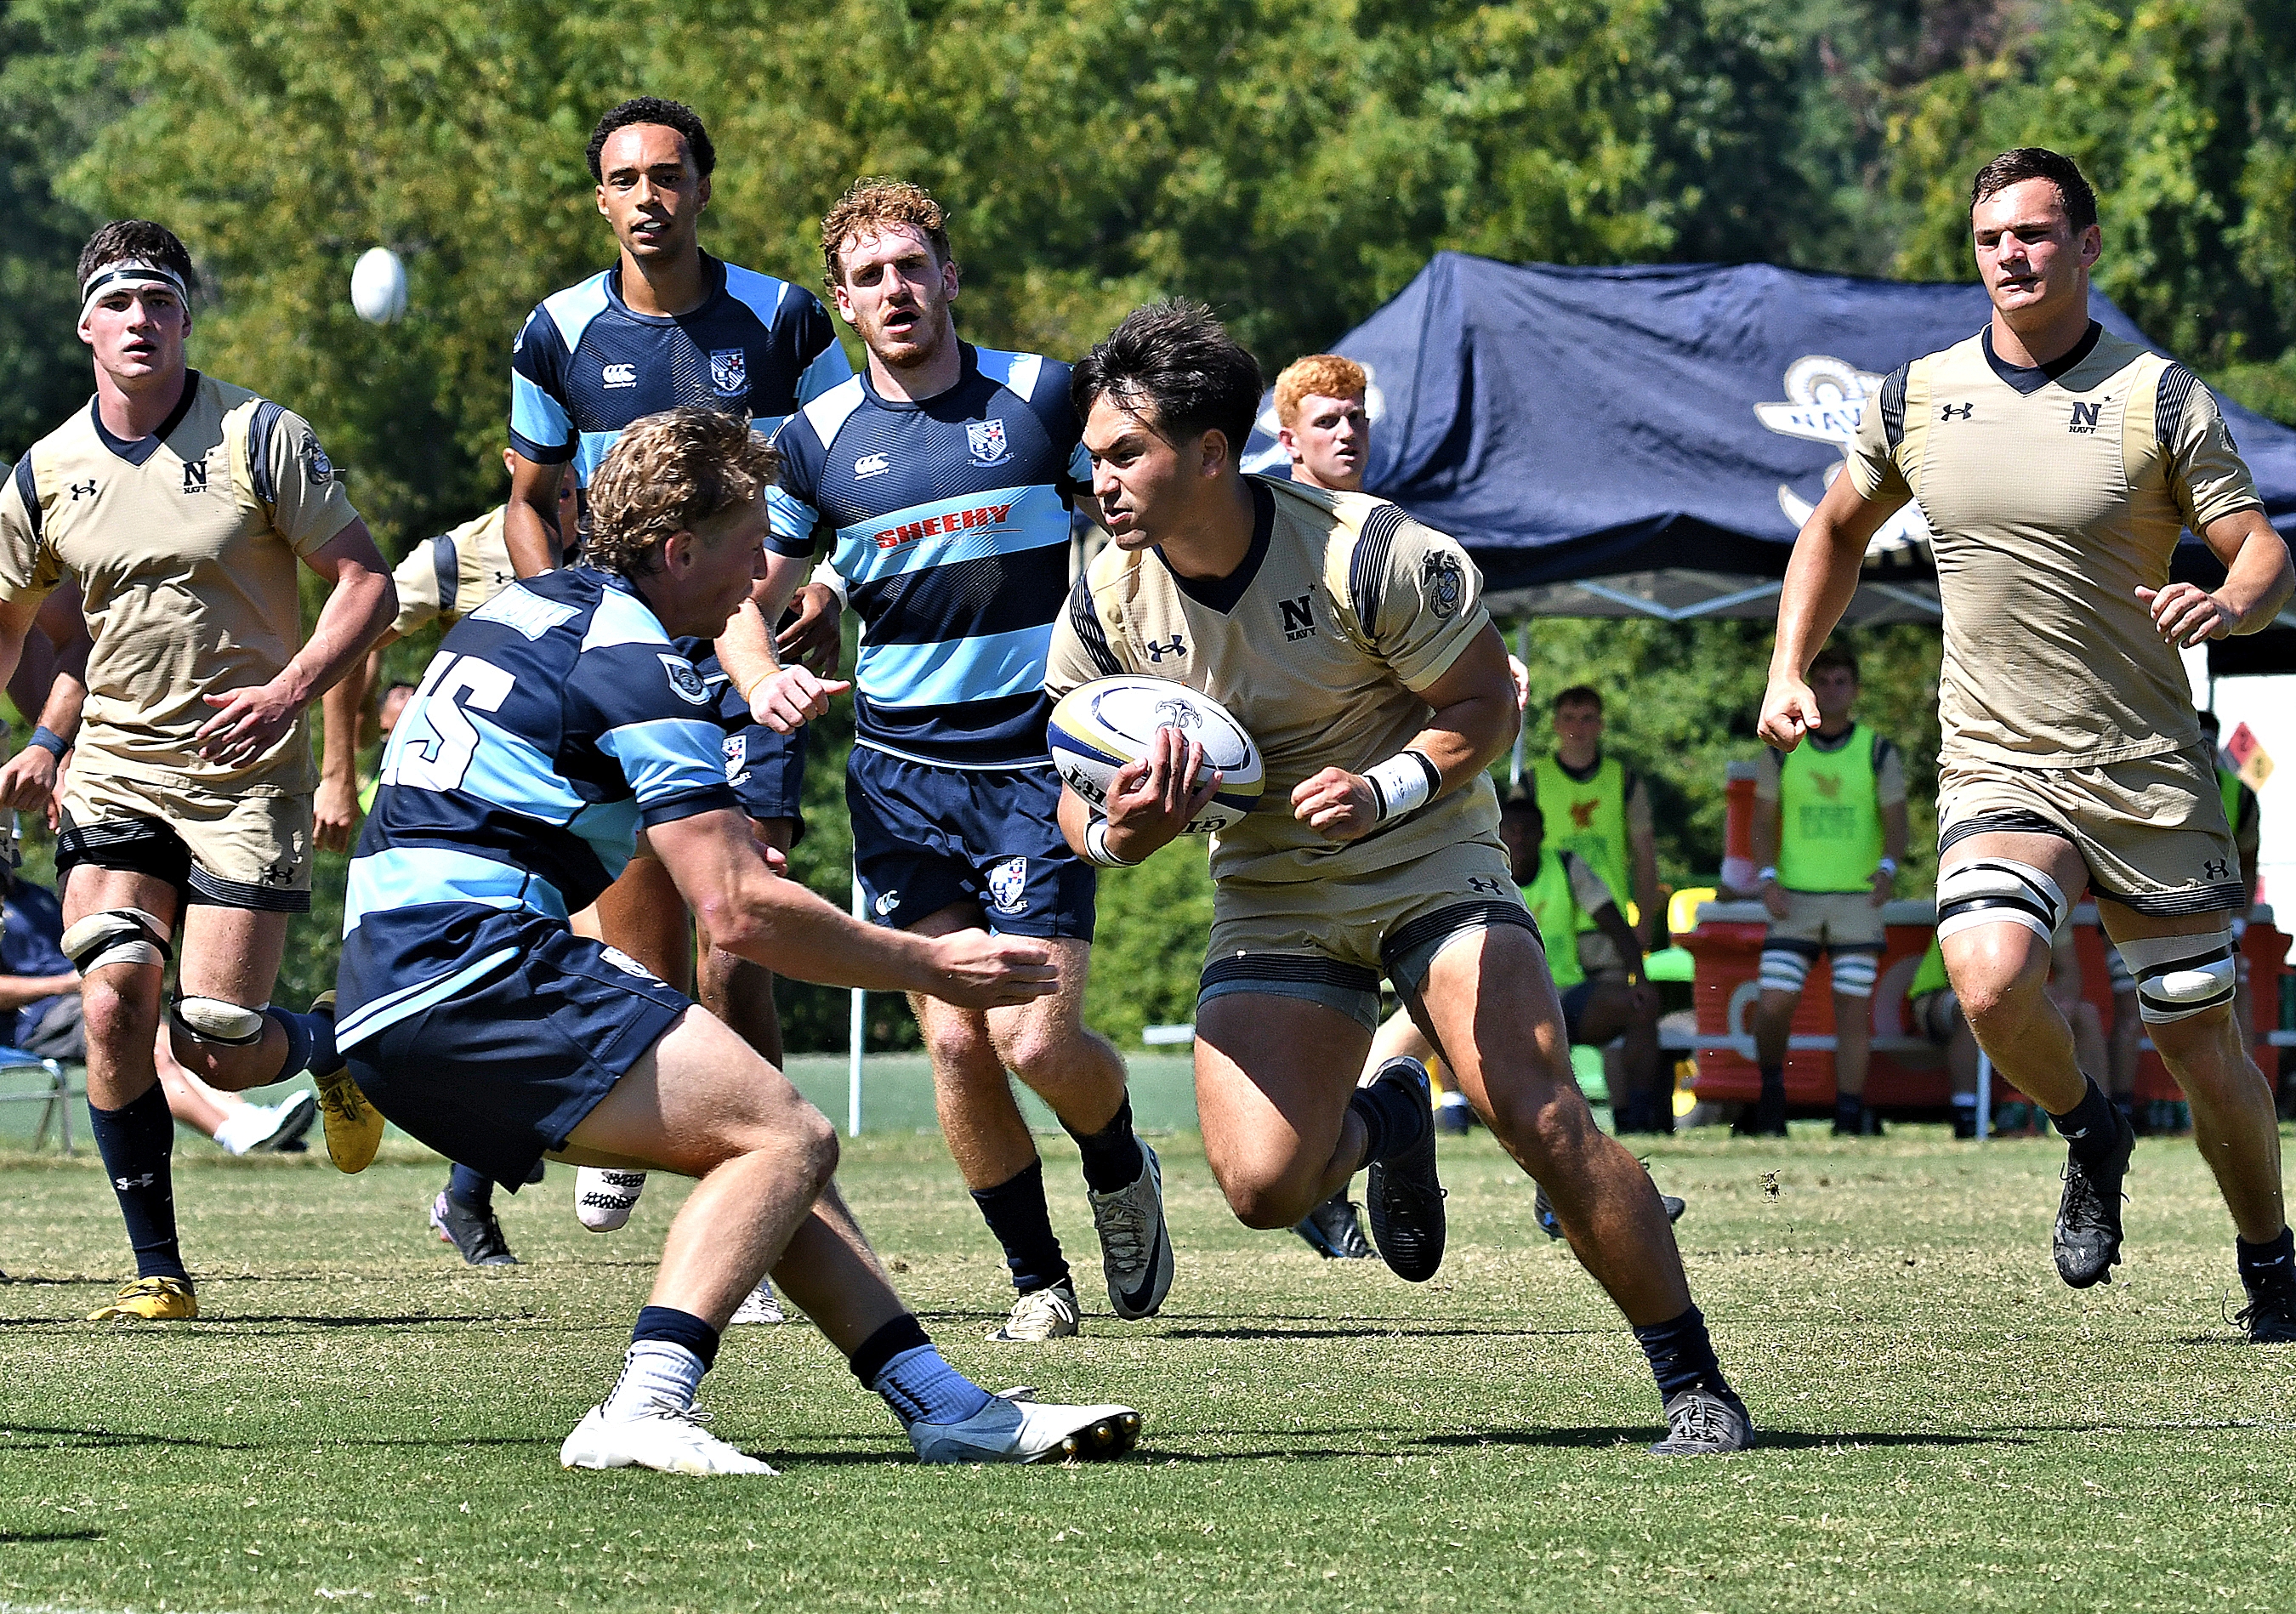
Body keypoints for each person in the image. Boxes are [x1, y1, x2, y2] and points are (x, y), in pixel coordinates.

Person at [335, 405, 1138, 1474]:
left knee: (764, 1147)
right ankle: (646, 1403)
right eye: (749, 537)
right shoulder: (637, 659)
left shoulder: (535, 605)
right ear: (680, 550)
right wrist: (935, 962)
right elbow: (739, 909)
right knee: (789, 1138)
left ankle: (944, 1404)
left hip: (396, 994)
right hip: (477, 972)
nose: (765, 565)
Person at [1049, 299, 1753, 1453]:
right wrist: (1126, 830)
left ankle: (1695, 1380)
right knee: (1265, 1187)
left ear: (1212, 453)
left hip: (1427, 854)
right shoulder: (1102, 596)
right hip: (1272, 883)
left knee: (1540, 1115)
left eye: (1128, 453)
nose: (1101, 479)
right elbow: (1076, 814)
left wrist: (1386, 789)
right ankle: (1390, 1117)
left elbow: (1488, 702)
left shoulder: (1367, 549)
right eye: (1094, 457)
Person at [1759, 146, 2296, 1342]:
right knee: (1990, 976)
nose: (2013, 253)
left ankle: (2270, 1255)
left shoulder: (2160, 395)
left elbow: (2262, 550)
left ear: (2086, 246)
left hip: (2149, 765)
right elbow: (1833, 531)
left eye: (2038, 233)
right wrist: (1789, 663)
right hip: (2000, 759)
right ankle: (2088, 1128)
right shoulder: (1916, 395)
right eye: (1994, 235)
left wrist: (2229, 601)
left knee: (2201, 1042)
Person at [739, 178, 1168, 1344]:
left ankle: (1120, 1156)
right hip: (899, 779)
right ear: (841, 303)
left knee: (1034, 1034)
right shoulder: (814, 442)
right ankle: (1040, 1280)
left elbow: (1140, 522)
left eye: (912, 267)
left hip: (1040, 765)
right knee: (950, 1034)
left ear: (949, 277)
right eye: (869, 276)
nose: (895, 290)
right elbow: (747, 589)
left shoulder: (1040, 397)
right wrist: (758, 668)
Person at [0, 219, 395, 1320]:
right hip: (119, 765)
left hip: (245, 772)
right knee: (115, 991)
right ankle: (158, 1269)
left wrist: (290, 692)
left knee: (216, 1039)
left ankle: (324, 1043)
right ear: (86, 323)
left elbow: (367, 585)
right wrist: (39, 741)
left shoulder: (260, 436)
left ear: (185, 318)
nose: (141, 319)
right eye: (120, 302)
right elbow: (13, 623)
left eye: (161, 301)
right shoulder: (45, 473)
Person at [499, 97, 849, 1282]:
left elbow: (836, 465)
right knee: (640, 941)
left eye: (667, 174)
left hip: (752, 640)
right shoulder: (556, 331)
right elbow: (527, 496)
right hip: (621, 658)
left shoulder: (788, 319)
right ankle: (688, 1151)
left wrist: (820, 576)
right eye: (623, 179)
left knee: (738, 938)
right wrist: (565, 625)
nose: (647, 196)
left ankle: (776, 1206)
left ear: (702, 187)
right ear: (600, 200)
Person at [316, 450, 581, 1266]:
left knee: (556, 1000)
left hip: (588, 807)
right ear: (518, 458)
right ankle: (344, 1056)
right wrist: (338, 769)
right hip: (473, 822)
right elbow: (357, 626)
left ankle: (467, 1186)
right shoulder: (455, 557)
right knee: (522, 999)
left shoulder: (628, 539)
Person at [1744, 643, 1909, 1138]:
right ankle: (1771, 1093)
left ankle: (1848, 1114)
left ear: (1855, 691)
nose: (1833, 690)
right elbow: (1761, 820)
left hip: (1856, 900)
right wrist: (1766, 878)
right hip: (1792, 897)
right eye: (1826, 681)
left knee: (1852, 1010)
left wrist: (1887, 868)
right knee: (1773, 1003)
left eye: (1842, 681)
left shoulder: (1877, 750)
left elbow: (1898, 821)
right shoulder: (1781, 746)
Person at [1908, 923, 2105, 1139]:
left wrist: (2060, 1006)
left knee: (2086, 1013)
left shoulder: (2052, 906)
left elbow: (2069, 973)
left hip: (2016, 998)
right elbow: (1973, 978)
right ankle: (1966, 1114)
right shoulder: (1979, 902)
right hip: (1941, 993)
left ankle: (2097, 1119)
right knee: (1977, 1008)